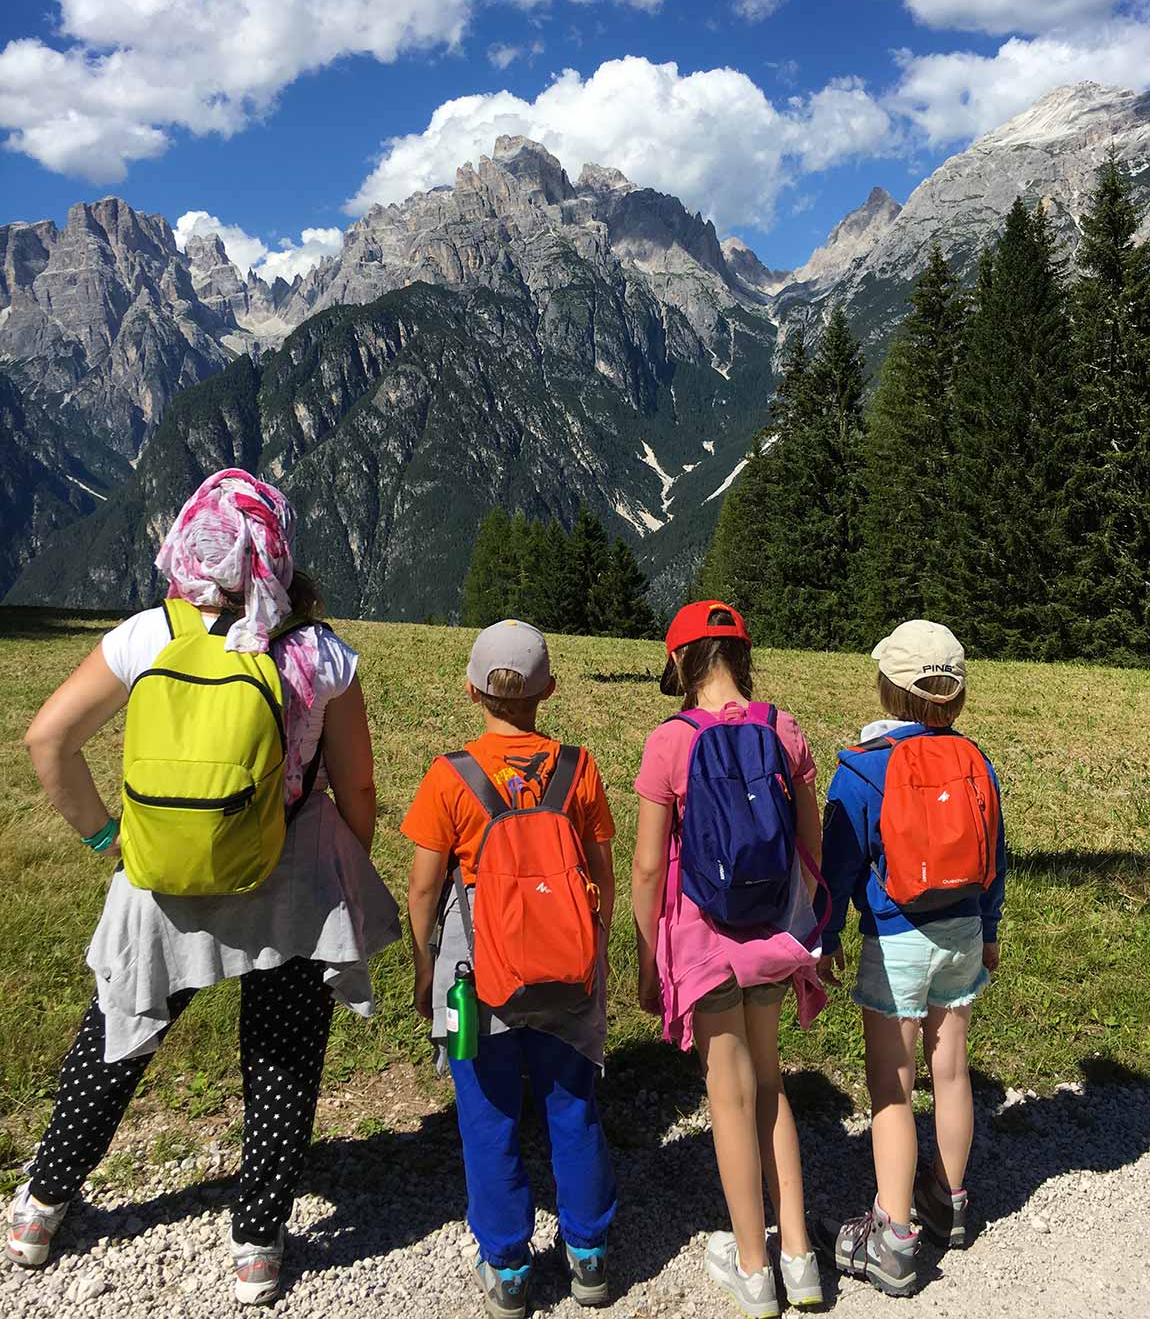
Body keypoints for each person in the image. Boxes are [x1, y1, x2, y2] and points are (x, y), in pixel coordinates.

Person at [7, 469, 401, 1306]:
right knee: (284, 1054)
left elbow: (48, 741)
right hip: (290, 877)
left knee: (118, 1035)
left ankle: (41, 1208)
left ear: (190, 542)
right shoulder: (319, 653)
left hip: (162, 883)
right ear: (279, 551)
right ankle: (258, 1247)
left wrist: (111, 838)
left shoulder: (149, 635)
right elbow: (357, 789)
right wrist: (342, 861)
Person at [403, 619, 617, 1319]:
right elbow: (602, 878)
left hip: (470, 983)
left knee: (486, 1117)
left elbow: (423, 891)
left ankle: (510, 1269)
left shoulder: (448, 776)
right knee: (573, 1108)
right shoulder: (578, 768)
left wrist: (423, 968)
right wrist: (596, 955)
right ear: (547, 691)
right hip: (567, 971)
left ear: (471, 690)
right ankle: (588, 1260)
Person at [631, 600, 827, 1319]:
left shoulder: (670, 742)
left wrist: (647, 958)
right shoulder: (784, 729)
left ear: (680, 661)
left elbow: (650, 869)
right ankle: (800, 1257)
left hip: (700, 938)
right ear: (742, 656)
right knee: (770, 1083)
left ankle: (753, 1267)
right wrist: (812, 933)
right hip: (772, 935)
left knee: (728, 1094)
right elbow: (810, 842)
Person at [818, 620, 1006, 1299]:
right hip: (961, 932)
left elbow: (837, 866)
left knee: (892, 1088)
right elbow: (995, 856)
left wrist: (825, 933)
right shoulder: (976, 762)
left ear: (888, 688)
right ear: (954, 699)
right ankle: (948, 1201)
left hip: (895, 940)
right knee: (950, 1071)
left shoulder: (864, 768)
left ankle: (892, 1238)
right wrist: (988, 926)